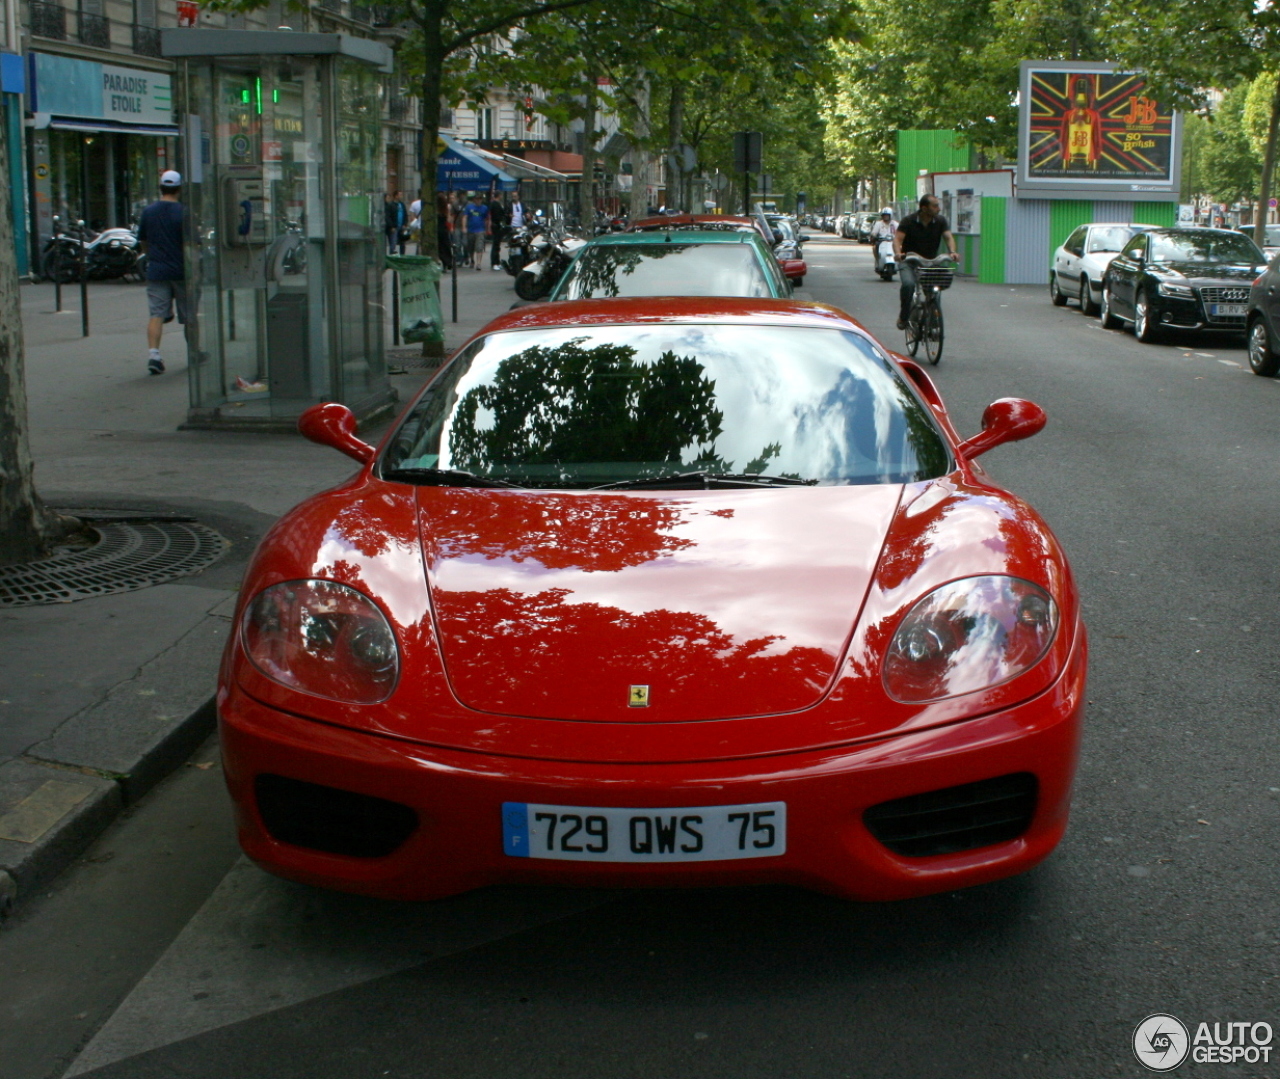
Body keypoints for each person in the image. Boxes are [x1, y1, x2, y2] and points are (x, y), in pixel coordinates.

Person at [137, 170, 187, 376]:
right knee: (189, 316)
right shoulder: (184, 212)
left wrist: (151, 256)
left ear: (161, 188)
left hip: (157, 271)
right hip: (183, 271)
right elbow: (193, 244)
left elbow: (143, 241)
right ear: (179, 189)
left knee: (156, 314)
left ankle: (154, 356)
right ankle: (194, 353)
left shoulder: (148, 212)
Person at [893, 194, 958, 329]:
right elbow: (897, 239)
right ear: (924, 208)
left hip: (930, 262)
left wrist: (952, 252)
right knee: (909, 285)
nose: (938, 209)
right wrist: (899, 254)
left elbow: (948, 237)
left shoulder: (940, 221)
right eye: (935, 206)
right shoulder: (908, 221)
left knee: (934, 289)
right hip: (909, 261)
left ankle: (933, 322)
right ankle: (904, 316)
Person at [462, 192, 489, 270]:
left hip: (480, 230)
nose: (478, 200)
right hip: (471, 230)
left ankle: (478, 263)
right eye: (477, 199)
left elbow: (486, 219)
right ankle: (472, 259)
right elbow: (465, 217)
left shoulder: (484, 208)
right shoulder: (469, 207)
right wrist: (464, 227)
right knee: (470, 247)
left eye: (480, 199)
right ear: (474, 199)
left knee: (479, 247)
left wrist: (486, 229)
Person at [870, 207, 897, 273]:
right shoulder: (878, 224)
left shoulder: (895, 224)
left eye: (887, 215)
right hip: (881, 241)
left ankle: (899, 262)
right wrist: (874, 236)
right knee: (874, 247)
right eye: (884, 215)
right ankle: (878, 261)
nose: (885, 217)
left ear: (890, 215)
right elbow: (874, 233)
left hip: (893, 242)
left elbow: (899, 232)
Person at [488, 194, 508, 270]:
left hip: (496, 226)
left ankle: (497, 262)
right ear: (499, 196)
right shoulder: (495, 204)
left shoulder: (494, 204)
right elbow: (497, 215)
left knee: (497, 244)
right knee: (496, 244)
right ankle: (494, 262)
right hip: (496, 226)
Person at [384, 190, 407, 255]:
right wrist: (391, 226)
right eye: (400, 195)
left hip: (401, 226)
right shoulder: (391, 205)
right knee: (393, 242)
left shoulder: (402, 205)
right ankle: (392, 253)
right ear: (396, 196)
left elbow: (405, 214)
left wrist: (405, 223)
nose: (401, 196)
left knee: (402, 242)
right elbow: (388, 217)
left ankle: (402, 254)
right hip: (394, 227)